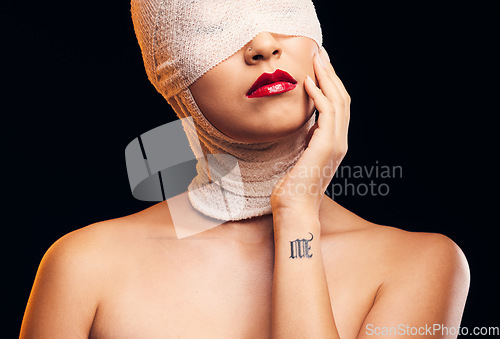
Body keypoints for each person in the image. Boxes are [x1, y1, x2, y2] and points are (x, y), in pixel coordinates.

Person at [20, 1, 470, 338]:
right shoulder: (84, 268)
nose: (262, 45)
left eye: (279, 7)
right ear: (166, 72)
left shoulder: (422, 265)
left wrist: (297, 212)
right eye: (214, 25)